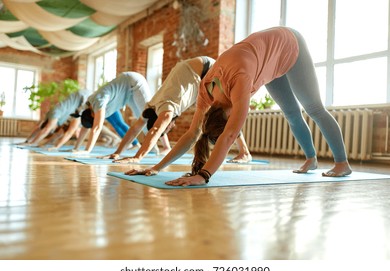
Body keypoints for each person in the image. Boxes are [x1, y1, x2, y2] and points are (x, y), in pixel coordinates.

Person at [125, 26, 352, 186]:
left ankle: (342, 163)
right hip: (268, 61)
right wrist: (157, 167)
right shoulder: (206, 91)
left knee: (314, 108)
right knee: (291, 114)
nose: (240, 118)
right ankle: (311, 160)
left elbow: (230, 133)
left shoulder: (239, 82)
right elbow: (193, 133)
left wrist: (203, 175)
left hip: (289, 44)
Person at [102, 56, 252, 164]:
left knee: (223, 110)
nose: (171, 127)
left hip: (206, 70)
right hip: (197, 66)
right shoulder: (151, 105)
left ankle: (244, 152)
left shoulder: (166, 109)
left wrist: (137, 157)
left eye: (167, 129)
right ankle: (244, 151)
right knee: (220, 110)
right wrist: (117, 153)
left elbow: (154, 130)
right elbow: (135, 128)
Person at [75, 71, 167, 154]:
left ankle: (166, 146)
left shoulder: (99, 101)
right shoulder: (87, 108)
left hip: (133, 81)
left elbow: (97, 127)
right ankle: (152, 145)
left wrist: (87, 150)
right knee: (142, 118)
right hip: (127, 94)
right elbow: (85, 126)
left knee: (150, 113)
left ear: (93, 114)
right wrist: (76, 148)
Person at [21, 89, 91, 147]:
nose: (53, 131)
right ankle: (35, 143)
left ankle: (33, 142)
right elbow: (45, 129)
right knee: (49, 129)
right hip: (63, 109)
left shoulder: (56, 114)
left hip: (63, 108)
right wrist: (30, 142)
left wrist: (30, 142)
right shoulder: (59, 116)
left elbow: (43, 128)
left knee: (47, 128)